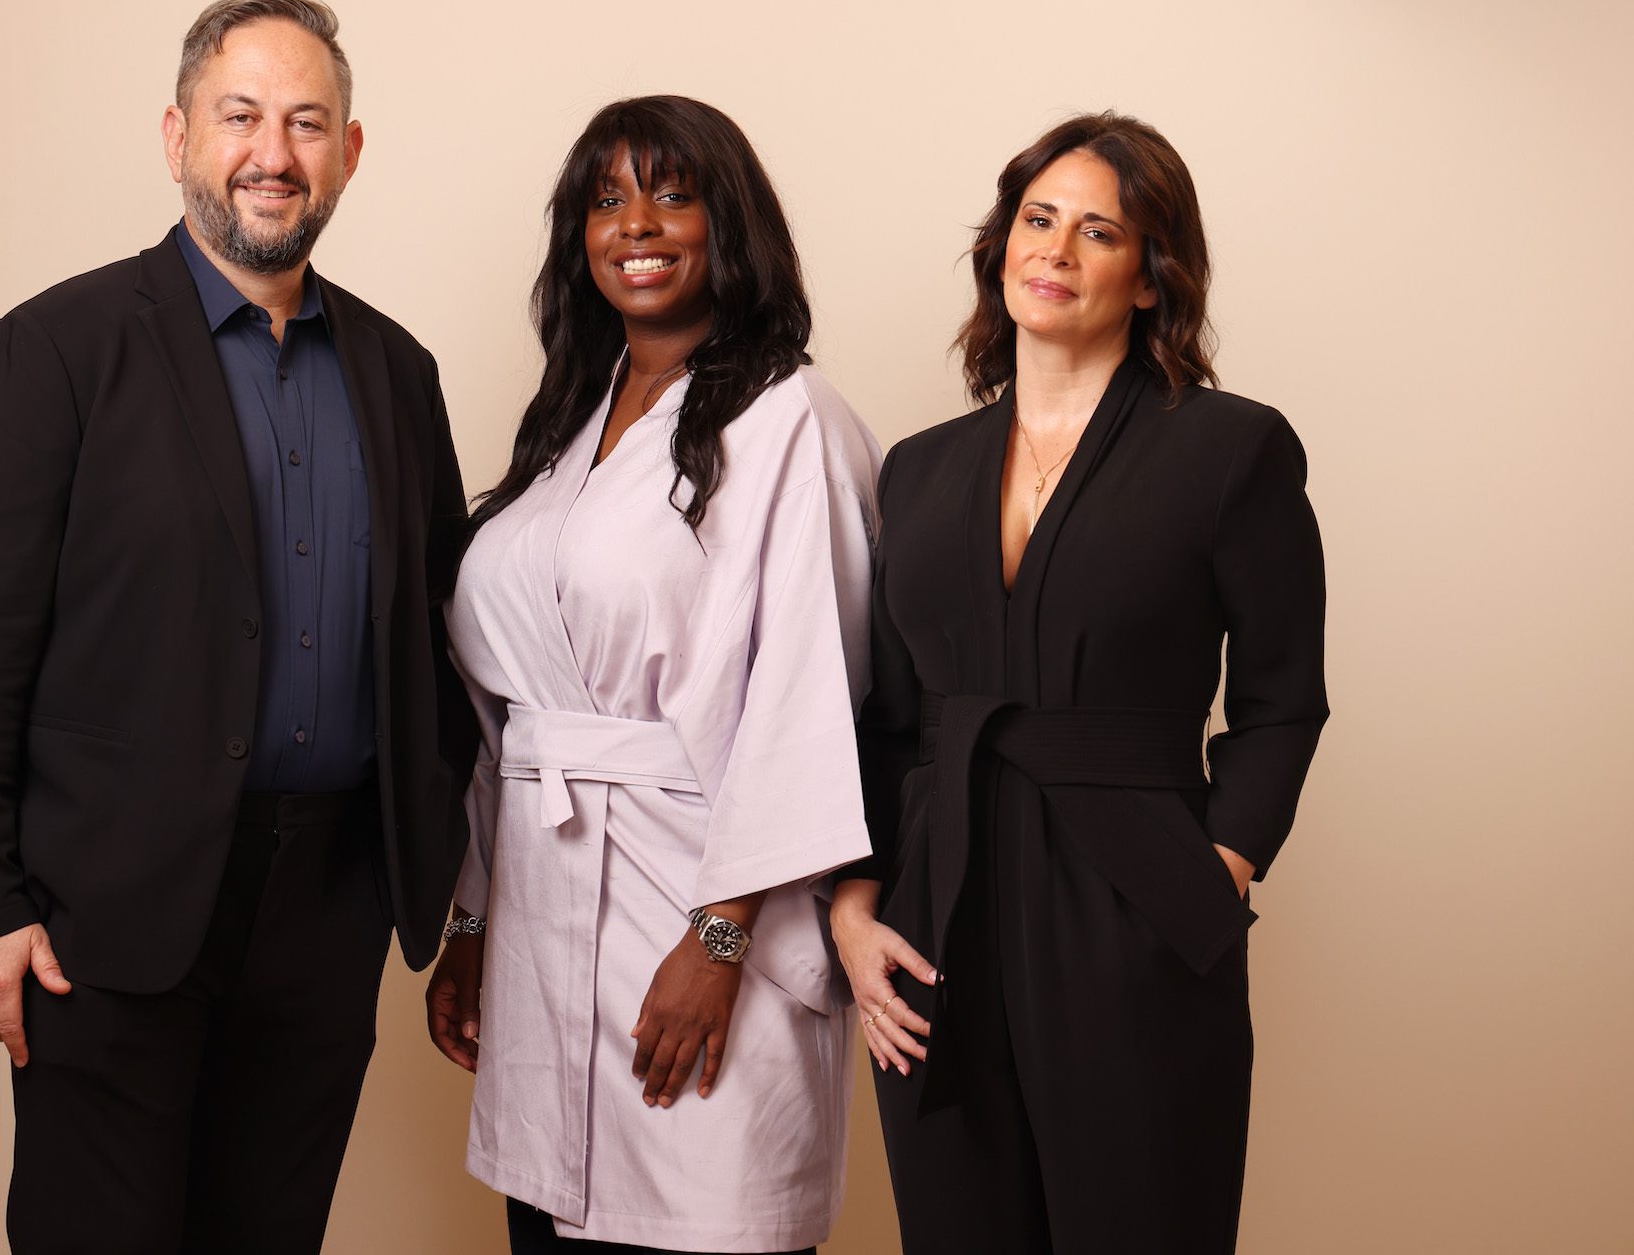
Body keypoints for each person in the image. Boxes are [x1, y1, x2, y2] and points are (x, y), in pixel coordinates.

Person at [0, 0, 475, 1253]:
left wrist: (434, 875)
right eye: (240, 115)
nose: (272, 153)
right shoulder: (55, 350)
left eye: (307, 122)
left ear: (350, 150)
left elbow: (436, 647)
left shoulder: (399, 371)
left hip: (326, 905)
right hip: (103, 908)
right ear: (177, 137)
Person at [829, 112, 1328, 1254]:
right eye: (1035, 219)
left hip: (1135, 903)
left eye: (1096, 231)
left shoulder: (1229, 449)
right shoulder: (918, 468)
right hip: (933, 922)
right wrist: (854, 911)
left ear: (1150, 275)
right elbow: (888, 722)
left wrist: (1214, 870)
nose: (1051, 250)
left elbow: (1279, 699)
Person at [423, 95, 879, 1254]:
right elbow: (509, 721)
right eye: (607, 197)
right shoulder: (569, 423)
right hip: (542, 914)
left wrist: (717, 940)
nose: (638, 222)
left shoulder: (790, 420)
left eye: (673, 193)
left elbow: (807, 704)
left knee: (696, 1212)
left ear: (729, 224)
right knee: (550, 1223)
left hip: (698, 906)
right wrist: (471, 917)